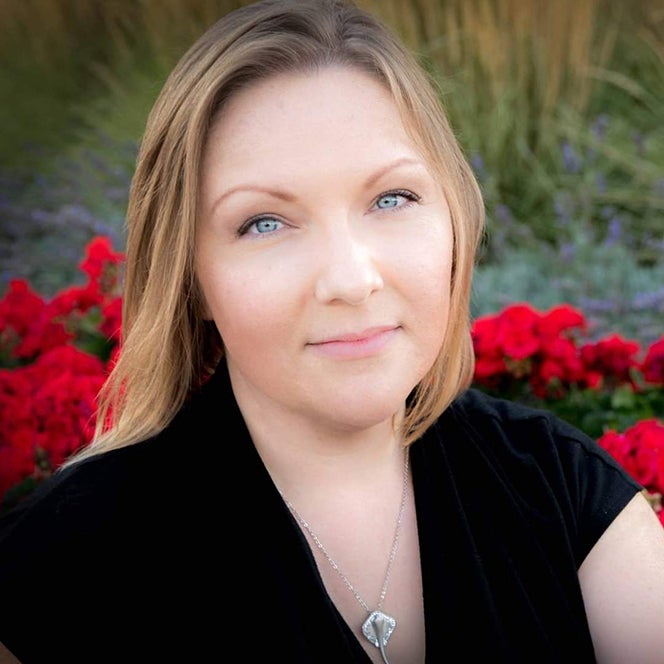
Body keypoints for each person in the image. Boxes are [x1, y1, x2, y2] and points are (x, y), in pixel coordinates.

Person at [1, 0, 664, 662]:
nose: (350, 279)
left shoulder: (572, 500)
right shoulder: (61, 567)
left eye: (391, 199)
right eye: (264, 222)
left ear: (455, 222)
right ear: (190, 276)